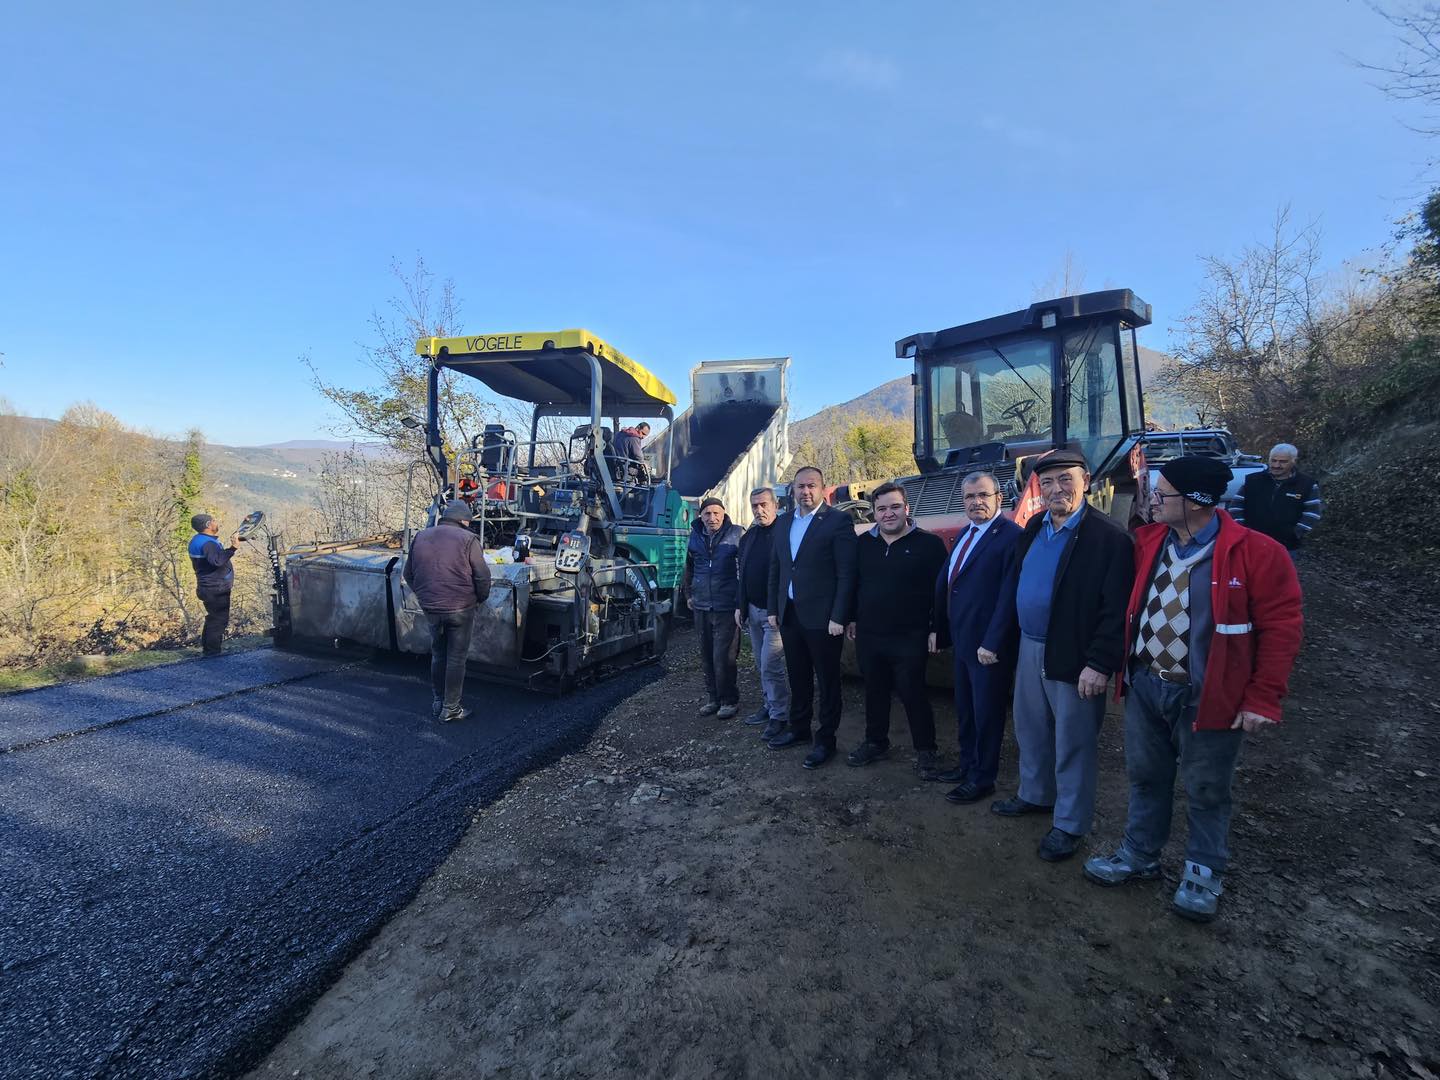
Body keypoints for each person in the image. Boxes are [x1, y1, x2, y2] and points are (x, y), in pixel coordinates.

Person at [1085, 456, 1303, 922]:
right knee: (1146, 776)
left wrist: (1263, 696)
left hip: (1209, 696)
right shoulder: (1147, 542)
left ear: (1197, 501)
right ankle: (1139, 855)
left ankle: (1203, 873)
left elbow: (1282, 628)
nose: (1153, 500)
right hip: (1146, 684)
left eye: (1163, 494)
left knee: (1206, 788)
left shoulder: (1259, 554)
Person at [986, 449, 1134, 862]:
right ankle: (1035, 794)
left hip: (1074, 655)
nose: (1056, 489)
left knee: (1074, 741)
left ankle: (1069, 823)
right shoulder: (1034, 527)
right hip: (1030, 646)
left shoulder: (1109, 538)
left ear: (1085, 480)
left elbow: (1116, 608)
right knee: (1030, 729)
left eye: (1065, 480)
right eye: (1047, 482)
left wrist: (1100, 663)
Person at [929, 471, 1024, 803]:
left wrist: (993, 642)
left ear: (999, 498)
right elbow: (949, 585)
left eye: (983, 495)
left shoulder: (1010, 537)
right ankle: (967, 764)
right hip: (964, 642)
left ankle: (984, 777)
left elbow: (1009, 596)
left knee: (987, 713)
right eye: (969, 497)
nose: (976, 502)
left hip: (987, 648)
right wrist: (938, 629)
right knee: (966, 710)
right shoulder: (966, 533)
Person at [846, 482, 949, 777]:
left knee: (912, 692)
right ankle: (876, 742)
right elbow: (856, 584)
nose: (888, 514)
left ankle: (926, 751)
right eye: (881, 509)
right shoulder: (864, 544)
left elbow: (940, 592)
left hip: (910, 636)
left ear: (907, 509)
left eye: (894, 507)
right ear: (874, 514)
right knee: (874, 691)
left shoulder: (929, 545)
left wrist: (935, 629)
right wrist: (852, 617)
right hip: (870, 635)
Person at [766, 465, 858, 769]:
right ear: (792, 490)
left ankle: (826, 740)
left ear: (821, 488)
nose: (805, 492)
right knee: (798, 675)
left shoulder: (837, 521)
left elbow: (847, 573)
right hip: (790, 615)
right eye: (800, 486)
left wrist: (839, 616)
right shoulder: (782, 524)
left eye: (811, 486)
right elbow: (777, 570)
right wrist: (773, 609)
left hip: (823, 618)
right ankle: (800, 728)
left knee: (828, 681)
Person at [403, 500, 493, 723]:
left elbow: (408, 573)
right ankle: (451, 708)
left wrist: (424, 597)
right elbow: (482, 576)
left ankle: (437, 701)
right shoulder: (468, 539)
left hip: (431, 608)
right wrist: (480, 598)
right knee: (456, 658)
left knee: (438, 653)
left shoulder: (421, 537)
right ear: (464, 521)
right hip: (460, 608)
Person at [735, 486, 790, 739]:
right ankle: (769, 706)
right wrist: (740, 605)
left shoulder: (786, 532)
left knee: (771, 665)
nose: (759, 510)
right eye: (755, 506)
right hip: (753, 611)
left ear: (775, 505)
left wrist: (778, 608)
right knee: (760, 663)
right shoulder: (749, 537)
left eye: (764, 504)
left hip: (775, 614)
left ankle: (780, 715)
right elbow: (743, 575)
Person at [686, 496, 744, 719]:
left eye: (716, 513)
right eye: (707, 513)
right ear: (700, 515)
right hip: (701, 605)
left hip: (726, 607)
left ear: (724, 513)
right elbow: (689, 567)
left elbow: (744, 571)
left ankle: (729, 700)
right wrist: (689, 594)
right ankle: (713, 698)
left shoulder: (737, 534)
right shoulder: (695, 536)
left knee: (725, 656)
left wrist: (740, 602)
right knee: (706, 655)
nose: (712, 518)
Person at [1229, 442, 1321, 560]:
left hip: (1287, 547)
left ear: (1293, 461)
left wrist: (1295, 533)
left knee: (1281, 577)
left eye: (1283, 462)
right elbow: (1235, 506)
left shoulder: (1307, 484)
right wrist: (1243, 530)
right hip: (1252, 543)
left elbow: (1313, 513)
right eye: (1273, 460)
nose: (1276, 465)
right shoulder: (1253, 480)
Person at [188, 513, 243, 657]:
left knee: (213, 618)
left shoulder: (198, 540)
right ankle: (213, 653)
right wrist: (233, 548)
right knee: (218, 620)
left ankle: (208, 650)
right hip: (215, 588)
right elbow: (217, 561)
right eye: (214, 521)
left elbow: (214, 558)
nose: (216, 522)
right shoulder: (208, 544)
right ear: (208, 525)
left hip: (208, 586)